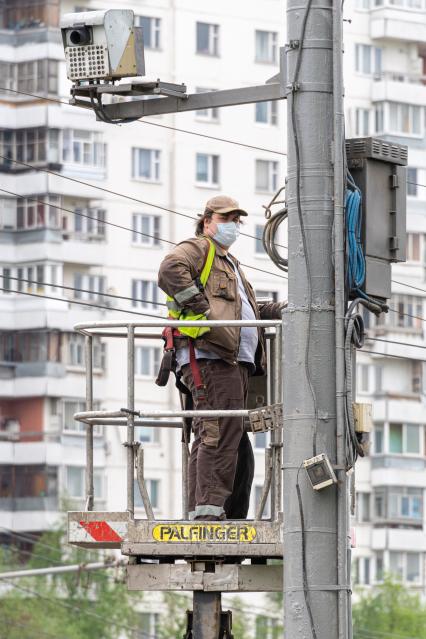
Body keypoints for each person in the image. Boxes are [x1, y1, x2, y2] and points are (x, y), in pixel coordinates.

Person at [158, 195, 284, 521]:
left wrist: (283, 309)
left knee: (226, 435)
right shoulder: (200, 248)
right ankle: (207, 515)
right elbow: (170, 269)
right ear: (207, 221)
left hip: (232, 361)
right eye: (225, 219)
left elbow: (247, 310)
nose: (233, 226)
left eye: (236, 220)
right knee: (215, 432)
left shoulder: (230, 264)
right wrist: (202, 309)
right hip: (210, 358)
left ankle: (214, 512)